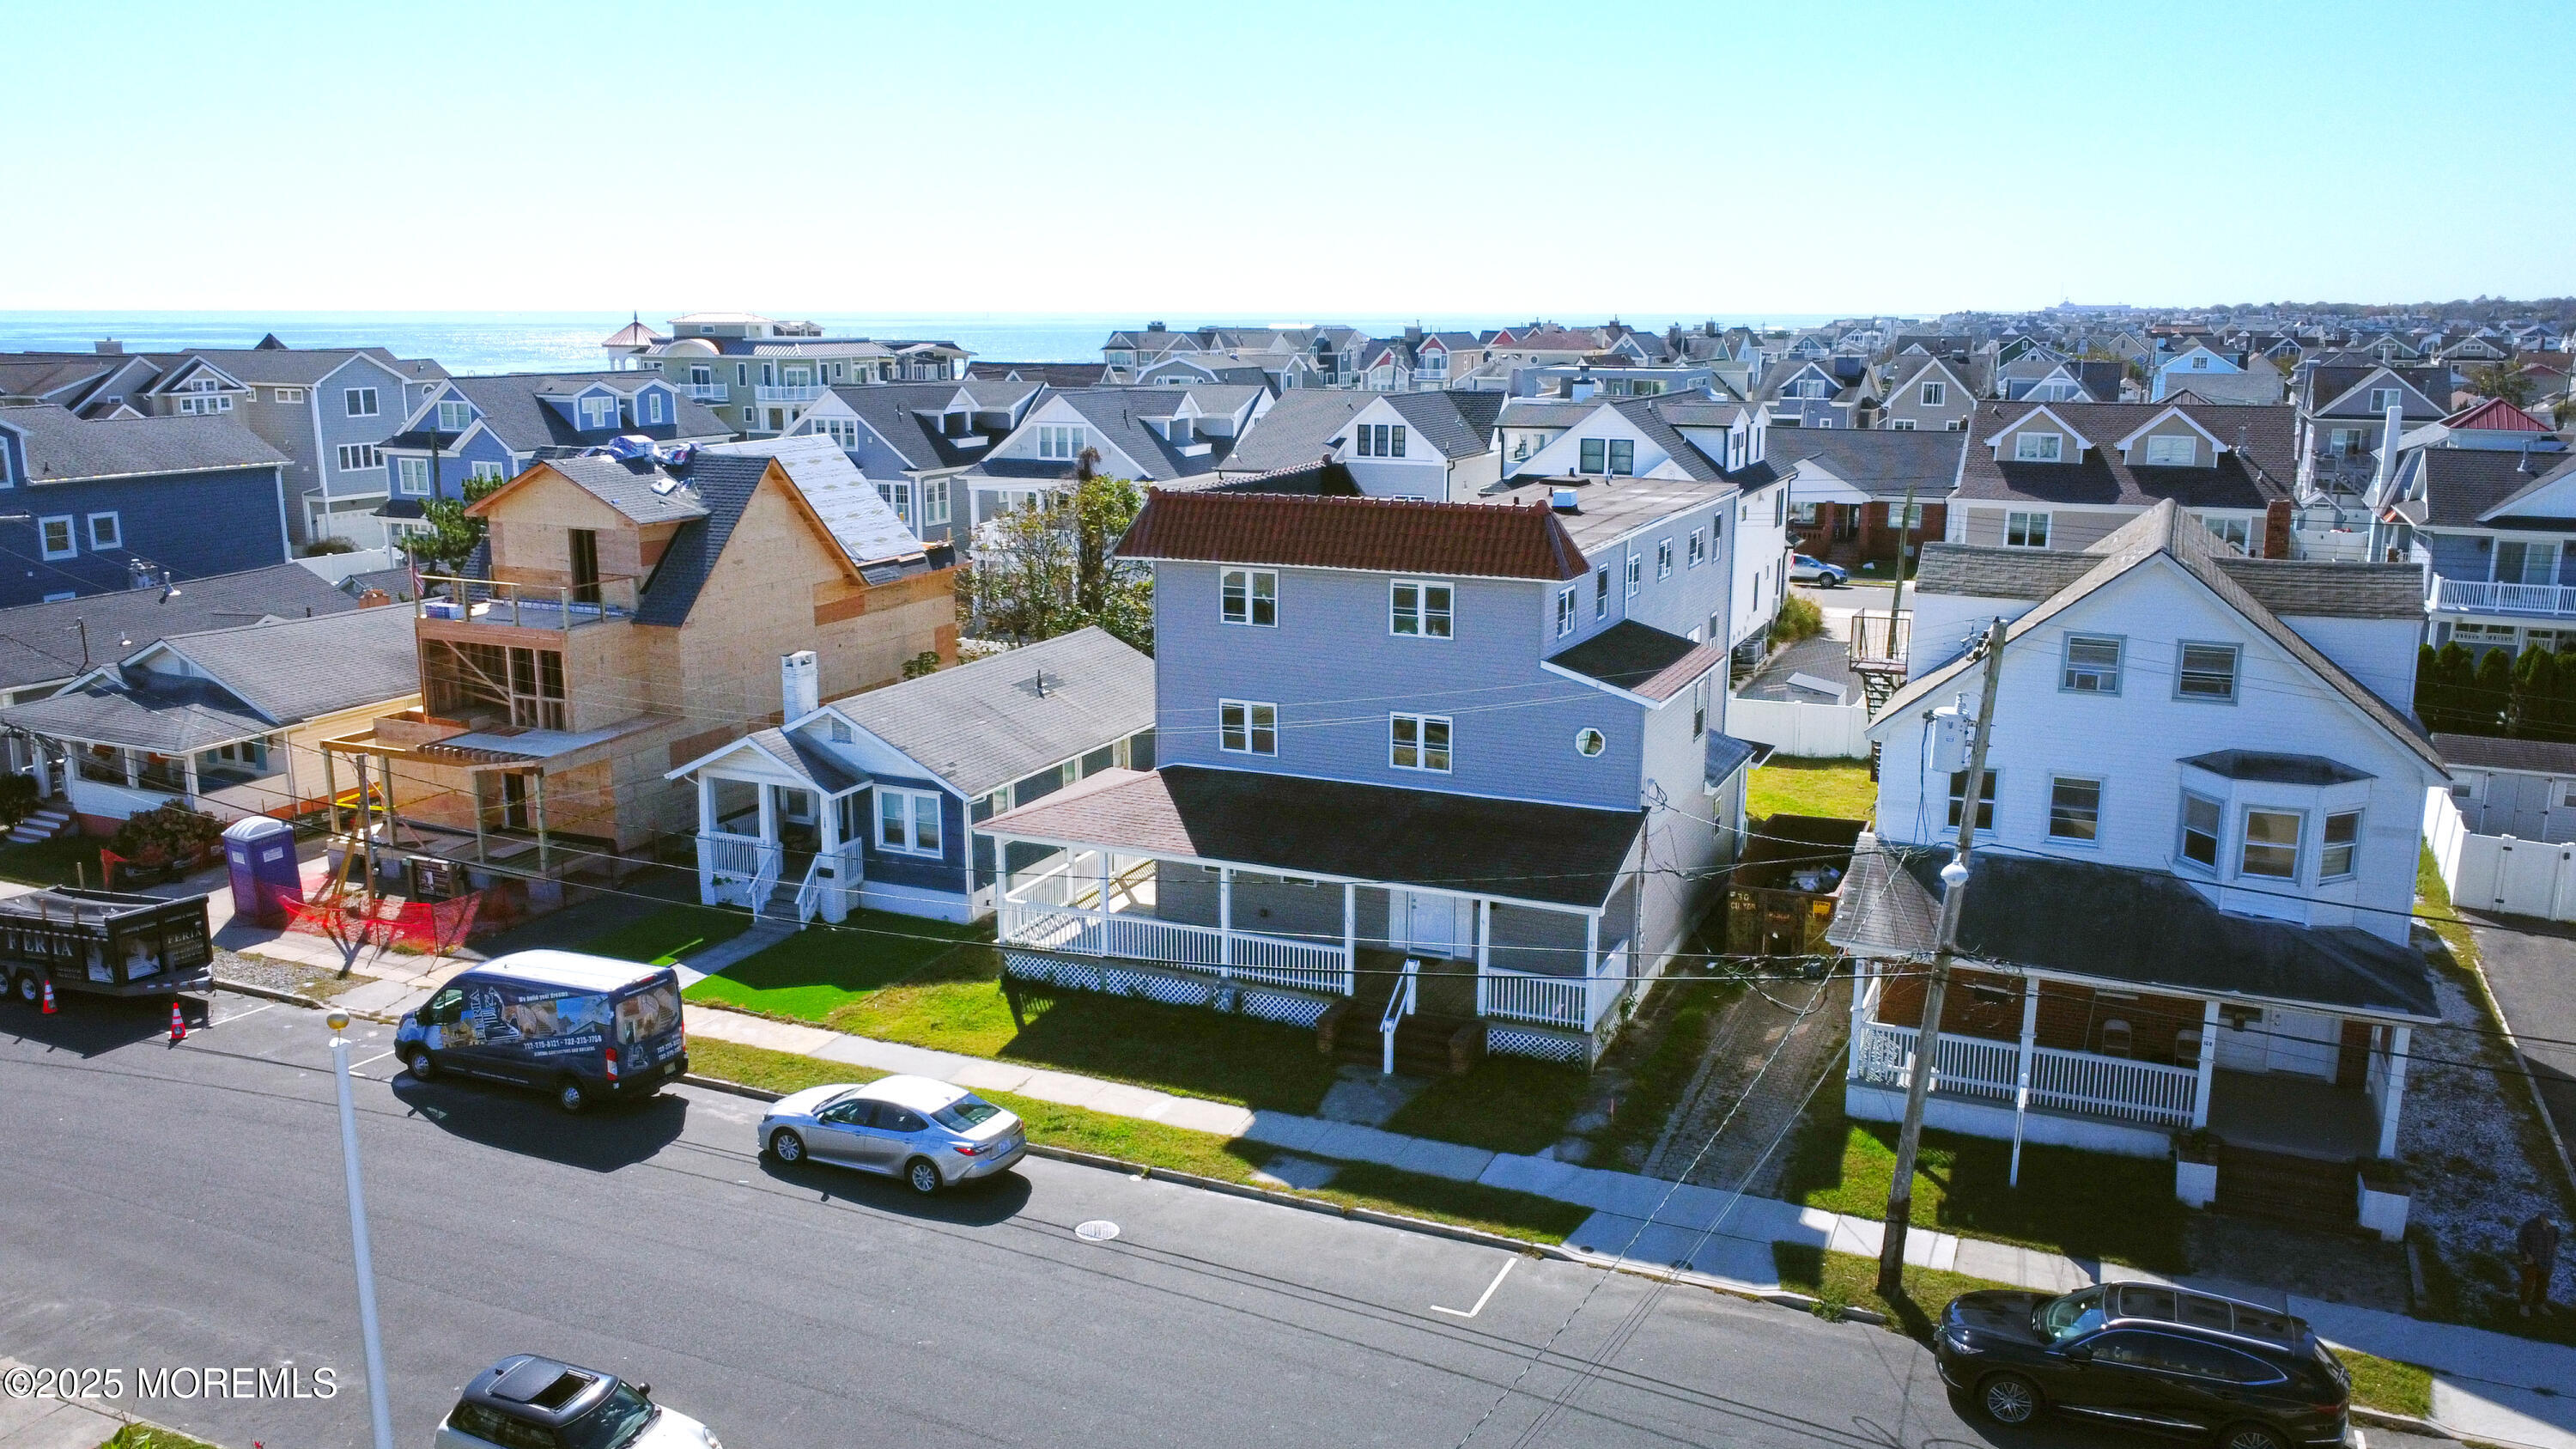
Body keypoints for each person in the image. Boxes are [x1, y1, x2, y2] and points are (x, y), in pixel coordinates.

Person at [2518, 1211, 2562, 1317]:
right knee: (2528, 1284)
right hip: (2532, 1261)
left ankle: (2539, 1304)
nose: (2551, 1224)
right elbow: (2521, 1241)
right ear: (2542, 1218)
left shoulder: (2554, 1227)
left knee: (2543, 1284)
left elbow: (2557, 1239)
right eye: (2549, 1222)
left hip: (2547, 1261)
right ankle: (2524, 1305)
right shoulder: (2529, 1225)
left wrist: (2554, 1249)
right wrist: (2527, 1254)